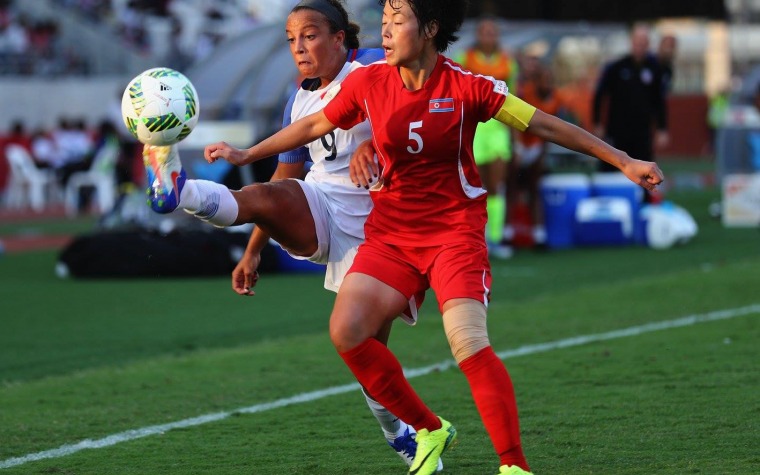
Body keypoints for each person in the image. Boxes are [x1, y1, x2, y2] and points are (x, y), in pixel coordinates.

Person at [157, 1, 662, 473]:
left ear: (429, 29)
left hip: (452, 233)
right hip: (391, 234)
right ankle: (428, 429)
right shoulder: (373, 81)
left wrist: (624, 160)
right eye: (383, 20)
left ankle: (513, 465)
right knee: (347, 331)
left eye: (396, 20)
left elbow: (546, 126)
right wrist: (247, 155)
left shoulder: (470, 87)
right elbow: (313, 124)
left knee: (467, 343)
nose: (385, 29)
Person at [141, 0, 440, 470]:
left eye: (310, 35)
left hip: (383, 229)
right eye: (290, 39)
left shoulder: (379, 68)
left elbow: (416, 111)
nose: (298, 48)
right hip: (321, 205)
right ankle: (177, 189)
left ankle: (400, 433)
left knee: (367, 352)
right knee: (267, 193)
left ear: (340, 39)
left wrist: (374, 147)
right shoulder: (298, 98)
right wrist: (252, 251)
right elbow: (285, 177)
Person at [455, 17, 518, 259]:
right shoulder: (465, 59)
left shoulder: (508, 62)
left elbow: (514, 98)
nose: (489, 37)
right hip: (474, 129)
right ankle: (477, 238)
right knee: (475, 187)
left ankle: (496, 238)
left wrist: (515, 137)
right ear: (479, 35)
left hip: (499, 129)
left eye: (493, 32)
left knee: (496, 186)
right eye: (485, 32)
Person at [593, 24, 669, 178]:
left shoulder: (655, 69)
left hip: (642, 132)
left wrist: (662, 128)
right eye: (637, 41)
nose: (640, 45)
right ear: (632, 42)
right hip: (617, 130)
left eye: (644, 41)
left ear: (648, 44)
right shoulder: (617, 67)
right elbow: (600, 95)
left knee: (644, 171)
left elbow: (659, 101)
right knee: (610, 169)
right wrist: (597, 122)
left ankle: (643, 200)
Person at [507, 64, 562, 248]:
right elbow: (512, 119)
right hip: (520, 144)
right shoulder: (525, 93)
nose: (547, 83)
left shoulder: (555, 98)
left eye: (550, 79)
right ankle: (506, 233)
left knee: (534, 187)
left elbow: (552, 129)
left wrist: (541, 153)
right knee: (511, 187)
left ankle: (539, 235)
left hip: (537, 145)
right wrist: (517, 147)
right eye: (544, 79)